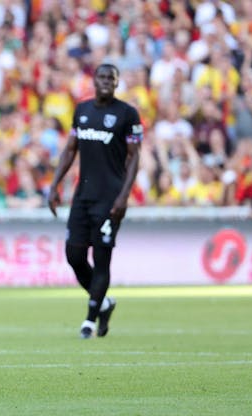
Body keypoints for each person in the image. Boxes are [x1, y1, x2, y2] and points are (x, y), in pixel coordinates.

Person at [47, 63, 143, 339]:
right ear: (94, 80)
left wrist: (124, 196)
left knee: (101, 260)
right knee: (74, 256)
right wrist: (54, 185)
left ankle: (90, 320)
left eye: (111, 78)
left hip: (109, 199)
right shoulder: (83, 110)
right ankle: (103, 302)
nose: (105, 82)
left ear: (117, 83)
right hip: (82, 196)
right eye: (101, 77)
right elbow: (70, 150)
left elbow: (135, 156)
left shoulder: (127, 114)